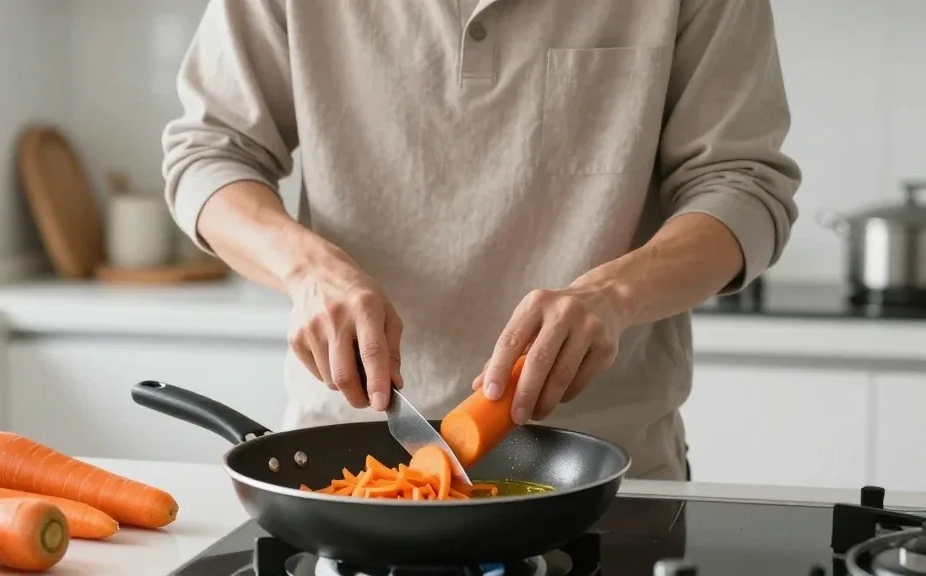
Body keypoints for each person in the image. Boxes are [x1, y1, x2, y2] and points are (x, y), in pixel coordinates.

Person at [161, 0, 801, 481]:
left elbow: (744, 187)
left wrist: (615, 294)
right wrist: (308, 270)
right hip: (350, 469)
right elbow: (209, 156)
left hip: (609, 476)